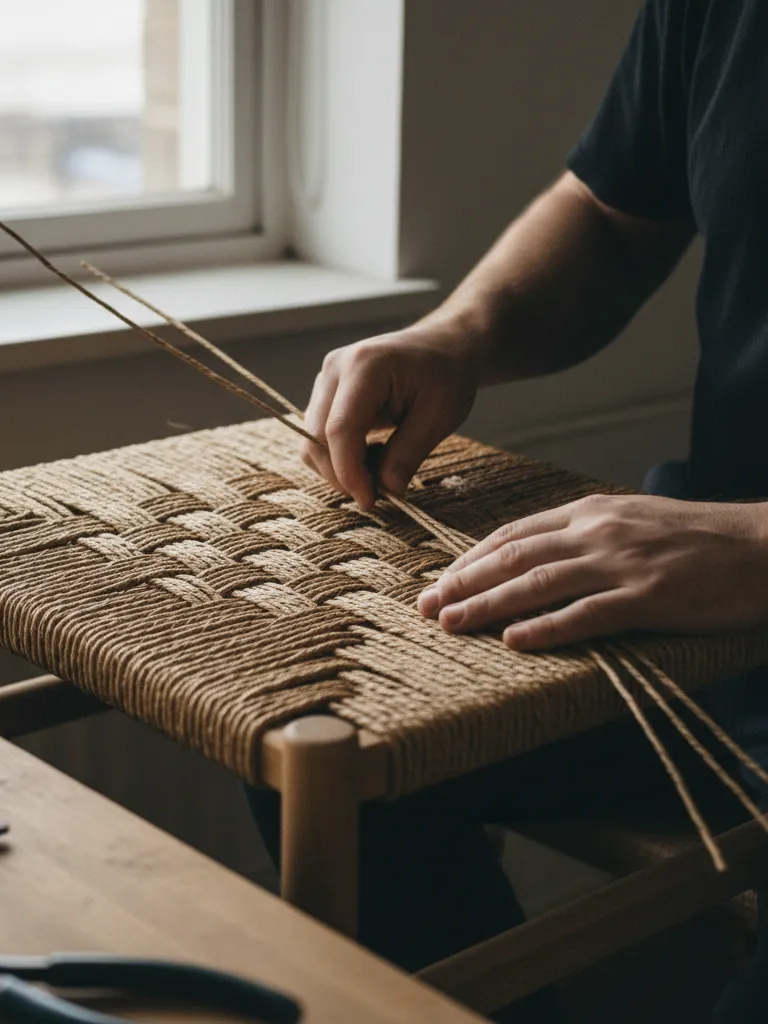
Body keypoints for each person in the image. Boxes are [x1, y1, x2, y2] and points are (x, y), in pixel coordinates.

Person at [247, 2, 768, 1021]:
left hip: (731, 571)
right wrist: (461, 331)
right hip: (705, 633)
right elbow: (615, 215)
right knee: (331, 750)